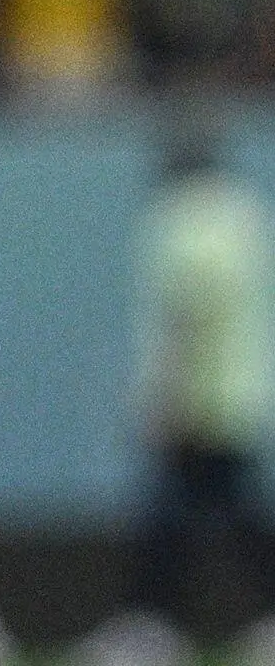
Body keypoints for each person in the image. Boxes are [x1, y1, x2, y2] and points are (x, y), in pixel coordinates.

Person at [129, 128, 274, 641]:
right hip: (238, 395)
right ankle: (157, 622)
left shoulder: (180, 218)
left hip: (197, 399)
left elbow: (184, 311)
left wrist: (166, 400)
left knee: (171, 519)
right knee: (228, 515)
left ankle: (153, 627)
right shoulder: (244, 215)